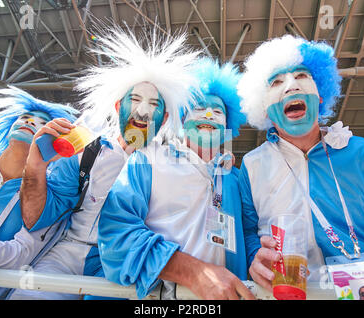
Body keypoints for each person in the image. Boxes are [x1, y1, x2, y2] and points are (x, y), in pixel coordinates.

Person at [9, 26, 200, 300]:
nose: (143, 111)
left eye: (154, 105)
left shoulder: (170, 167)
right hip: (64, 255)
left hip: (121, 266)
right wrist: (35, 167)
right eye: (134, 100)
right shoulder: (87, 150)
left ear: (165, 118)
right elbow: (36, 217)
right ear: (117, 107)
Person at [236, 34, 364, 293]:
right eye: (276, 82)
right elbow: (247, 233)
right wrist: (255, 256)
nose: (291, 86)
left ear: (320, 95)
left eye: (301, 76)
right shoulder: (251, 166)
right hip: (285, 293)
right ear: (265, 108)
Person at [98, 57, 255, 300]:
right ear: (182, 119)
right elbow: (116, 232)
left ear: (228, 125)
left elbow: (250, 235)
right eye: (200, 107)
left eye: (219, 111)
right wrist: (193, 273)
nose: (210, 114)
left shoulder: (233, 177)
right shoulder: (148, 159)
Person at [0, 86, 78, 300]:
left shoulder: (48, 200)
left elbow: (20, 255)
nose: (31, 122)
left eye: (43, 124)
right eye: (25, 117)